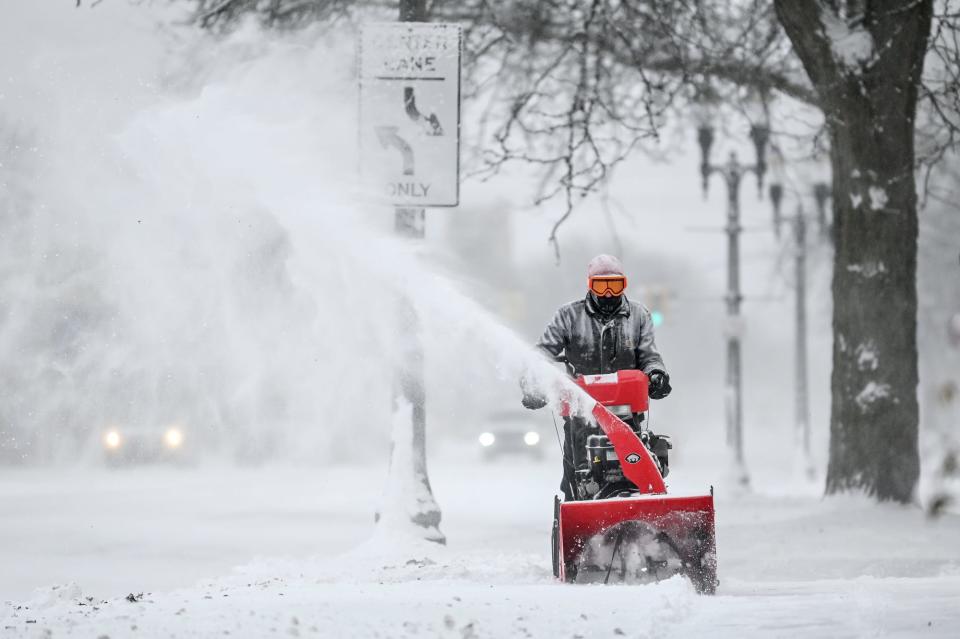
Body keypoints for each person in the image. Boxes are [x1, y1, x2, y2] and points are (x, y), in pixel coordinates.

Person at [521, 254, 671, 500]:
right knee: (577, 475)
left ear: (624, 285)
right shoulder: (569, 316)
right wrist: (534, 385)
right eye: (601, 285)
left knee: (637, 467)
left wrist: (656, 375)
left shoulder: (638, 315)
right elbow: (543, 353)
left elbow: (649, 355)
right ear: (590, 285)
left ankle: (640, 502)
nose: (609, 292)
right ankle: (578, 508)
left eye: (616, 284)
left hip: (626, 414)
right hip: (581, 412)